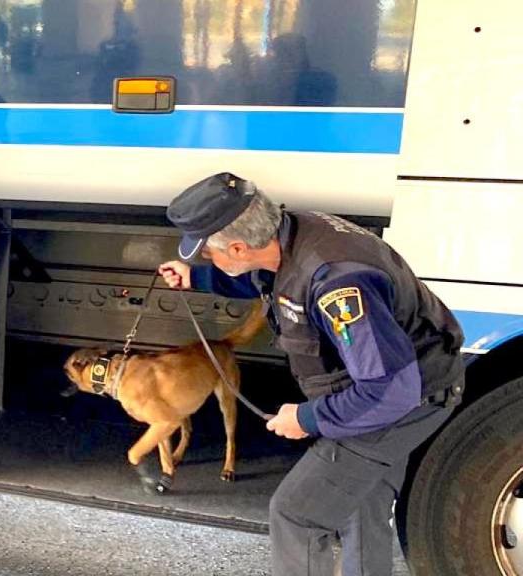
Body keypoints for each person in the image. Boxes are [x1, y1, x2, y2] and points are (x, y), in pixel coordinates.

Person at [157, 172, 464, 576]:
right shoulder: (291, 233)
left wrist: (307, 418)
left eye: (209, 255)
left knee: (296, 515)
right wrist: (197, 277)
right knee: (358, 503)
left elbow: (390, 390)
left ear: (237, 245)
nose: (206, 259)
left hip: (404, 399)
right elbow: (271, 278)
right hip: (412, 385)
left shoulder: (338, 281)